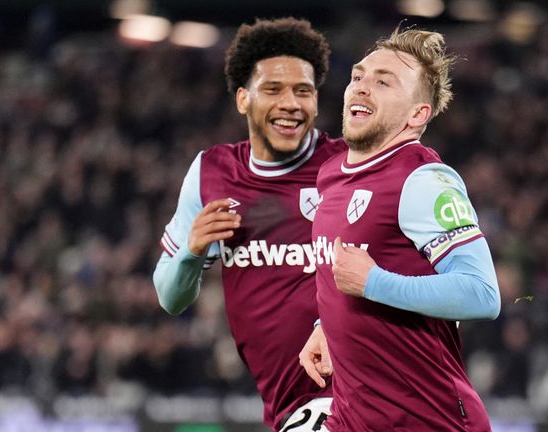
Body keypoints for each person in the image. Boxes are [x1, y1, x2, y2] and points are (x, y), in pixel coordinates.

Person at [300, 27, 501, 431]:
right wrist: (326, 327)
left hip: (429, 421)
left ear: (417, 115)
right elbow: (345, 274)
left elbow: (482, 294)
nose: (361, 87)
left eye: (383, 82)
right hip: (353, 419)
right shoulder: (331, 175)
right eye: (358, 76)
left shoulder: (423, 179)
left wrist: (375, 283)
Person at [153, 18, 345, 432]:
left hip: (353, 393)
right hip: (286, 405)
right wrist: (192, 251)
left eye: (303, 91)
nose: (290, 103)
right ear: (244, 99)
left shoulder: (347, 166)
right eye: (273, 89)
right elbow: (170, 298)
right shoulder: (211, 173)